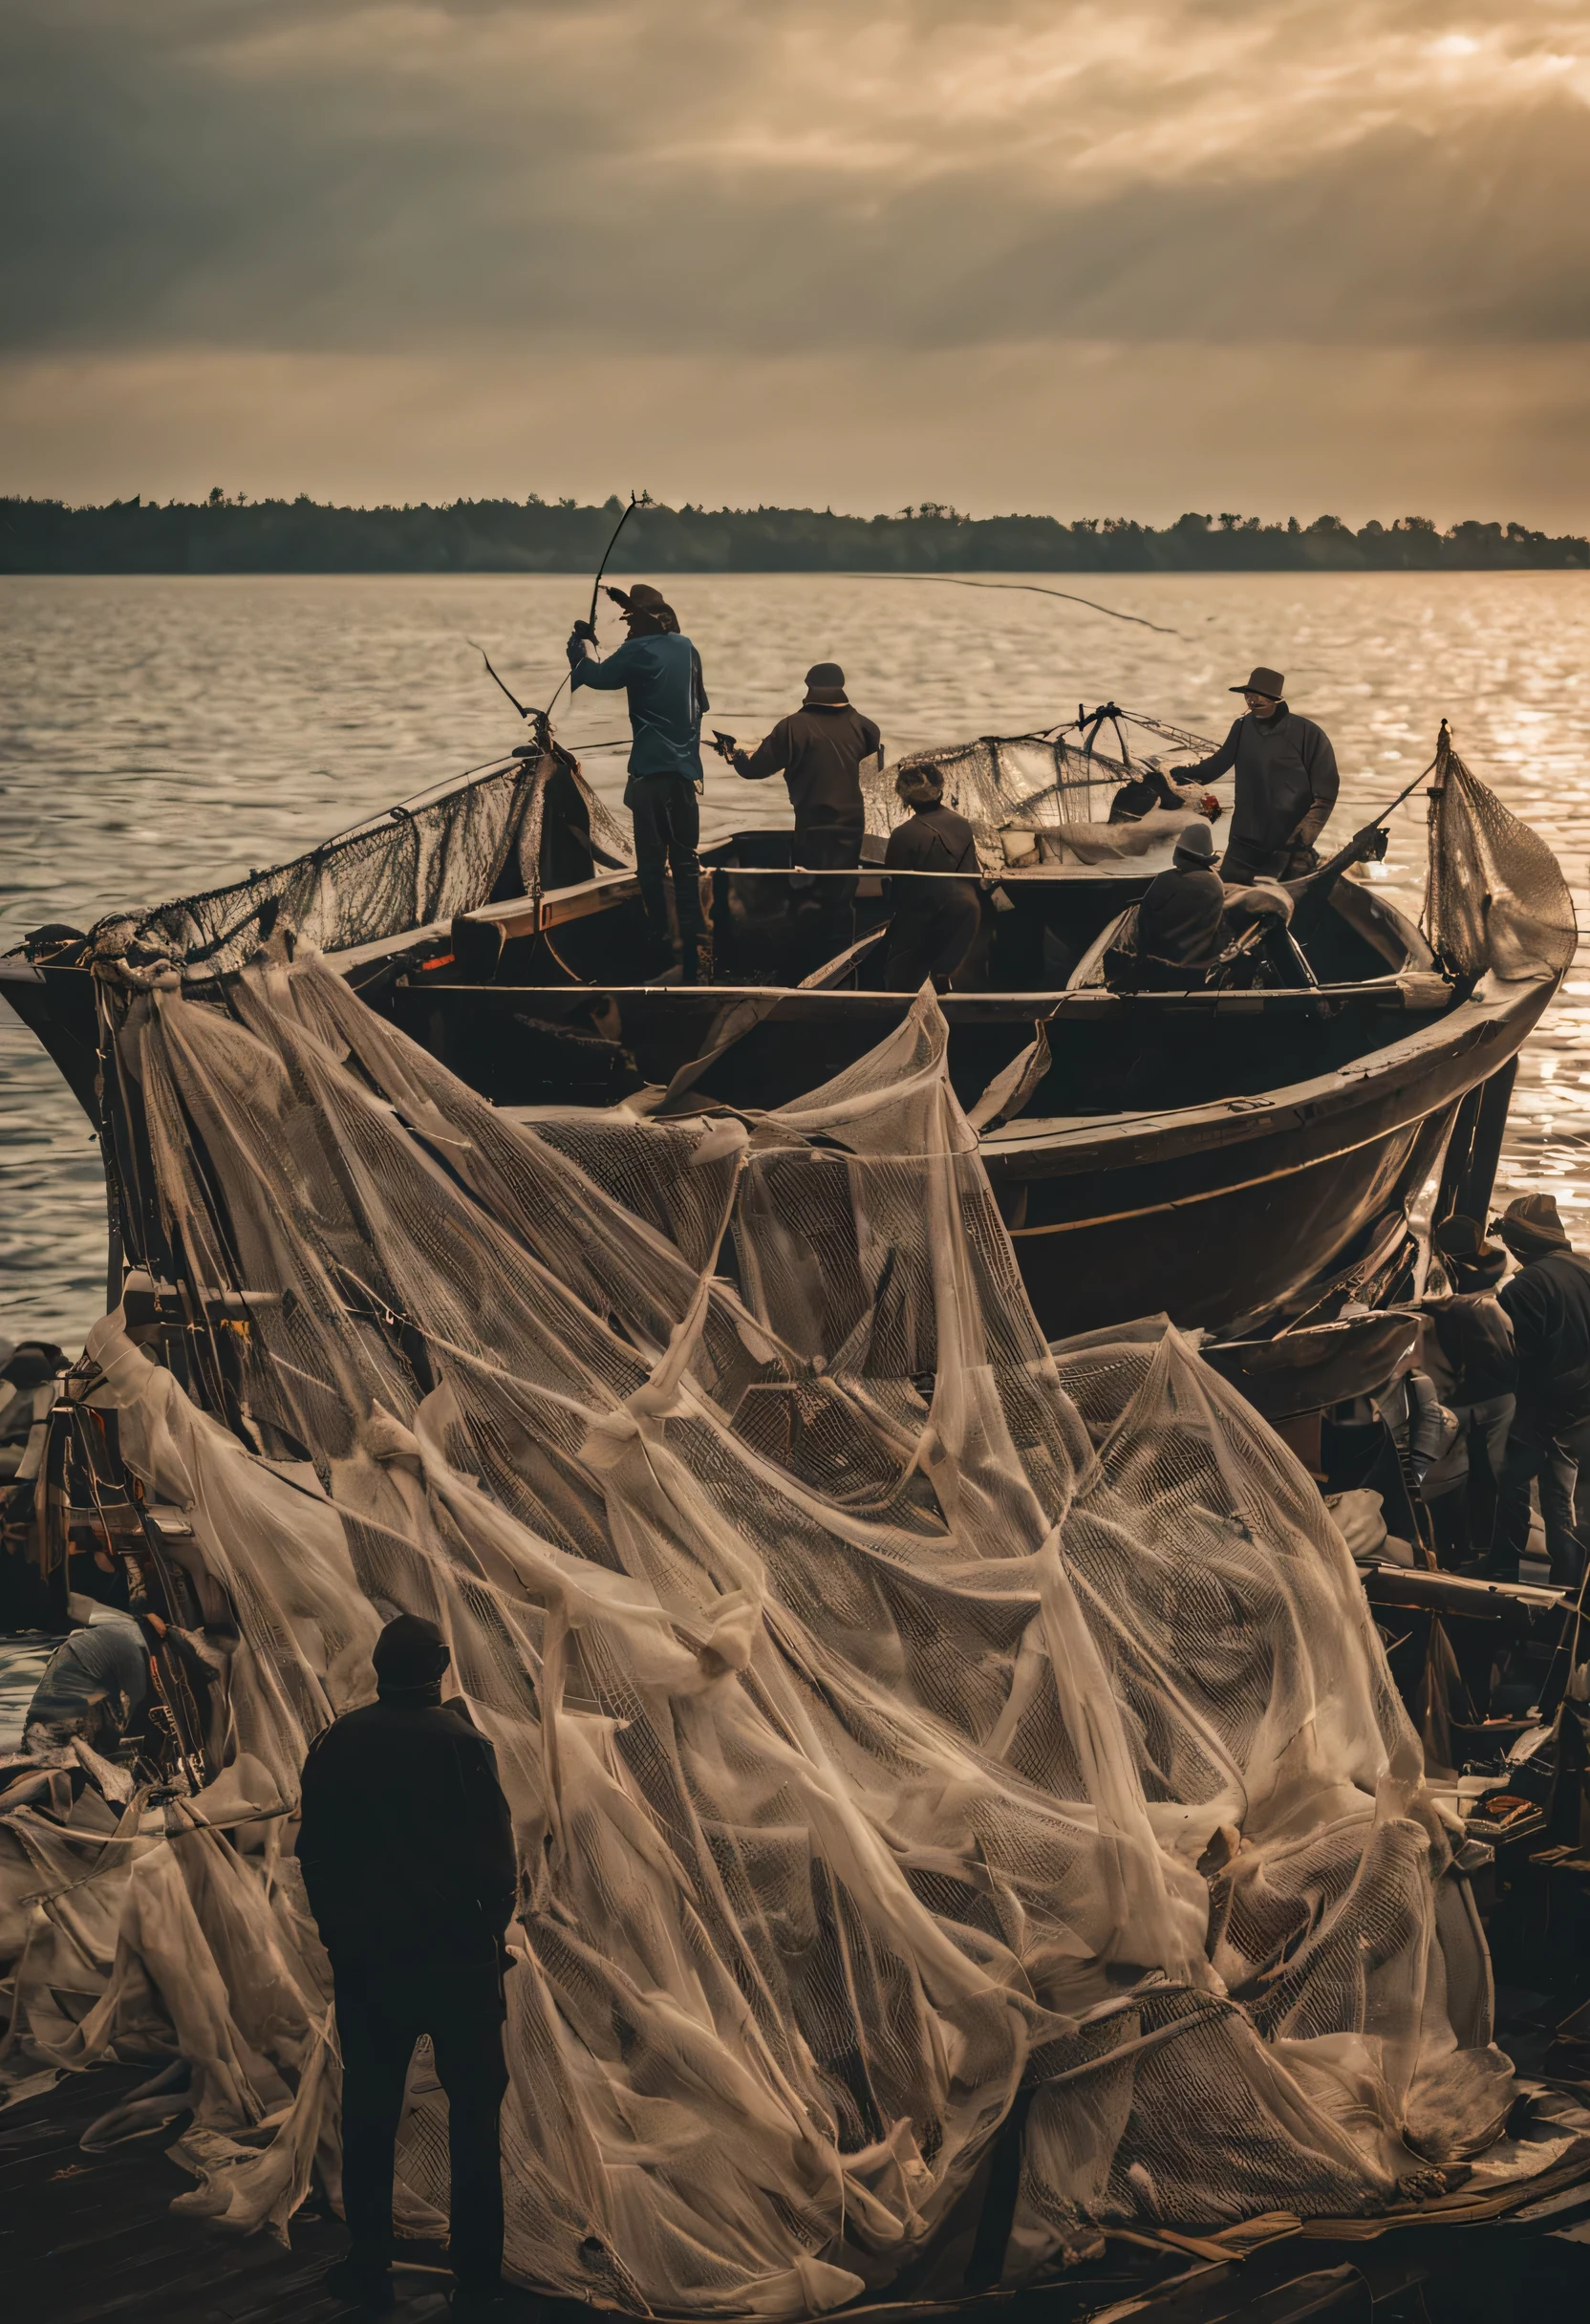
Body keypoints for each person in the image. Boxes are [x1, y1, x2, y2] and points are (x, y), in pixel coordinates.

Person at [297, 1615, 518, 2316]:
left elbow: (316, 1856)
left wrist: (340, 1938)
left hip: (372, 1967)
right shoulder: (466, 1745)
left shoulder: (338, 1742)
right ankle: (477, 2278)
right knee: (474, 2124)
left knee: (368, 2117)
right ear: (443, 1666)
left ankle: (369, 2264)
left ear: (380, 1668)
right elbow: (499, 1868)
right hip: (457, 1964)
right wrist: (486, 1937)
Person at [568, 582, 710, 979]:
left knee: (650, 868)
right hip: (685, 780)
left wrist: (578, 645)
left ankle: (661, 943)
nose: (627, 625)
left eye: (630, 619)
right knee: (686, 864)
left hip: (649, 779)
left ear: (643, 621)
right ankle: (696, 950)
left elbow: (593, 676)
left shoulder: (636, 650)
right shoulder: (688, 649)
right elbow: (703, 705)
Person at [713, 663, 880, 960]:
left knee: (811, 895)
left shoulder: (791, 727)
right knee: (842, 896)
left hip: (814, 824)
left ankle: (810, 962)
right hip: (853, 824)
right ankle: (843, 960)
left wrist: (734, 755)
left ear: (810, 688)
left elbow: (754, 769)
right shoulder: (867, 728)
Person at [1481, 1194, 1590, 1583]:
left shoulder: (1523, 1287)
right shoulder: (1584, 1268)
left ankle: (1504, 1566)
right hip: (1581, 1405)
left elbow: (1516, 1359)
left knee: (1509, 1481)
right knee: (1562, 1498)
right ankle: (1569, 1582)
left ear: (1520, 1243)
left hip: (1546, 1406)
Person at [1174, 665, 1339, 886]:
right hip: (1244, 835)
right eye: (1248, 694)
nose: (1251, 700)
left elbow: (1325, 796)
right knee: (1228, 893)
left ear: (1274, 698)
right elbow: (1217, 765)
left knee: (1276, 899)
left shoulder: (1307, 733)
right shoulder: (1241, 727)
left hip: (1286, 843)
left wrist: (1301, 841)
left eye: (1257, 695)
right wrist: (1179, 777)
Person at [882, 764, 981, 992]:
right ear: (941, 791)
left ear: (906, 800)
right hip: (967, 914)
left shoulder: (903, 835)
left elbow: (894, 893)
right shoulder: (962, 824)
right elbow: (971, 874)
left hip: (923, 921)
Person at [23, 1595, 165, 1753]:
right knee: (54, 1744)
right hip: (76, 1675)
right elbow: (122, 1723)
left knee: (40, 1734)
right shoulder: (136, 1664)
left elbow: (76, 1604)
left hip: (68, 1661)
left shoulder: (124, 1622)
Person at [1133, 821, 1229, 969]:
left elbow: (1144, 920)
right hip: (1201, 964)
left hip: (1163, 961)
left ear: (1181, 853)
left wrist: (1141, 958)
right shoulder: (1216, 882)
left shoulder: (1167, 879)